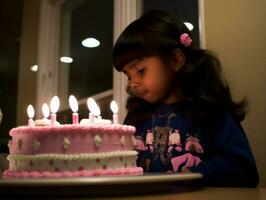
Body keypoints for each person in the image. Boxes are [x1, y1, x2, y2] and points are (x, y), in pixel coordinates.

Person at [112, 10, 259, 187]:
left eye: (140, 70)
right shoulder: (137, 117)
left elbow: (244, 170)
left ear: (175, 60)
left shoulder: (211, 111)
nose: (133, 84)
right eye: (128, 76)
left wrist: (199, 175)